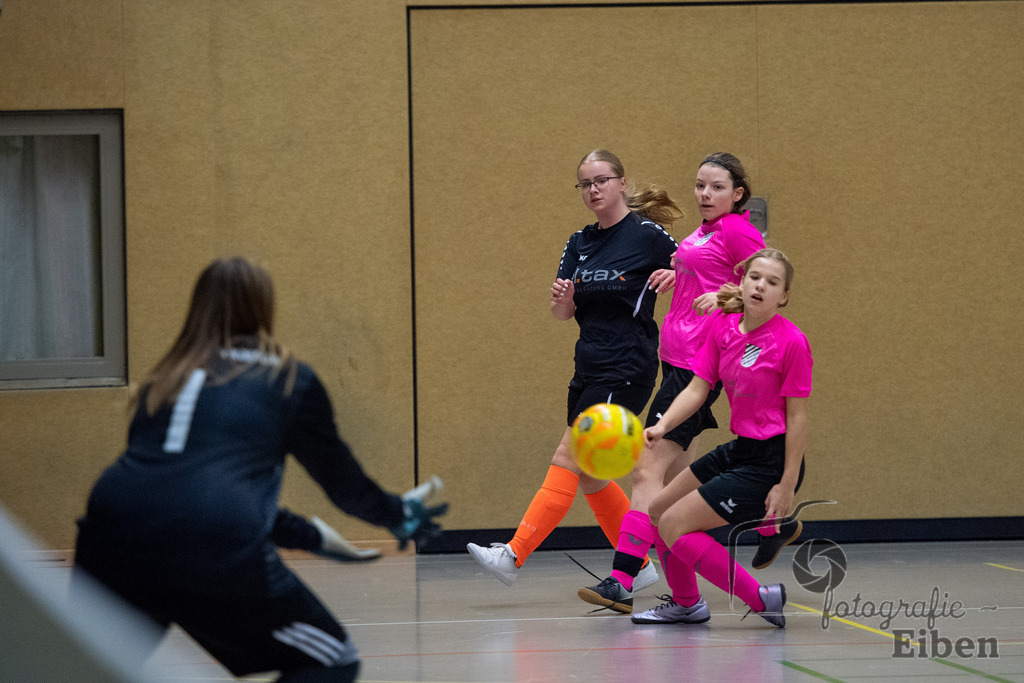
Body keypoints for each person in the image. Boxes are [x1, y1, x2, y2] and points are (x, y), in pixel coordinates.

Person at [73, 257, 447, 682]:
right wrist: (395, 512)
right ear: (263, 306)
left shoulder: (165, 377)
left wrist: (309, 537)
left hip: (110, 532)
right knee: (332, 660)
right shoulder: (288, 378)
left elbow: (174, 494)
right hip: (211, 544)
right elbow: (342, 485)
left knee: (85, 669)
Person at [467, 149, 683, 588]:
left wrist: (677, 275)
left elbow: (697, 267)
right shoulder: (579, 242)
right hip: (588, 364)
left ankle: (513, 555)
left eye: (601, 180)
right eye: (585, 184)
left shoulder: (646, 235)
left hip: (626, 365)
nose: (593, 190)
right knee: (589, 477)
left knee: (568, 457)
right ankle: (640, 566)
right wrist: (563, 301)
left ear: (622, 183)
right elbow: (563, 313)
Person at [578, 152, 770, 614]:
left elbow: (766, 286)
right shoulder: (705, 231)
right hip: (677, 360)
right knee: (673, 491)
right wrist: (678, 273)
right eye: (700, 185)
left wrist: (725, 296)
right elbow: (708, 270)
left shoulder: (736, 229)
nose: (705, 194)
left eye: (716, 187)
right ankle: (692, 596)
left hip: (696, 368)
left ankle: (622, 578)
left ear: (737, 194)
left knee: (646, 469)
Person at [631, 248, 812, 628]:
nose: (760, 286)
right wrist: (663, 426)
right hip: (740, 449)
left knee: (676, 525)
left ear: (784, 297)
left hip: (771, 461)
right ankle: (687, 604)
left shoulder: (792, 341)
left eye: (772, 282)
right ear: (742, 281)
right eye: (755, 277)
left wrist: (787, 484)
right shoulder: (723, 326)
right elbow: (698, 388)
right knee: (658, 511)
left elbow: (798, 418)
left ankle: (761, 599)